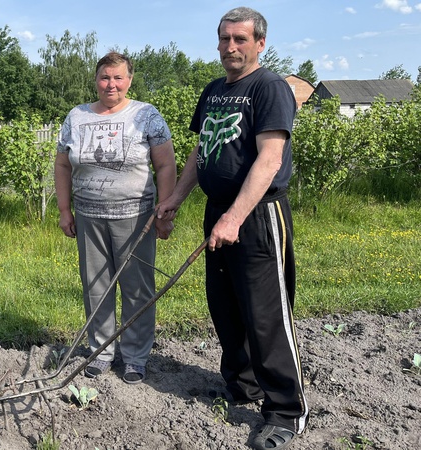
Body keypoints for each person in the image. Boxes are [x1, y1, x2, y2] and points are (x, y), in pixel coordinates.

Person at [155, 7, 309, 450]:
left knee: (266, 314)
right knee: (225, 307)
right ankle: (242, 386)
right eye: (224, 39)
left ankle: (286, 411)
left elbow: (270, 160)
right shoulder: (214, 90)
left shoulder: (270, 88)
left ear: (260, 43)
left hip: (257, 216)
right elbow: (201, 150)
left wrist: (235, 216)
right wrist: (175, 199)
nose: (230, 47)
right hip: (219, 211)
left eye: (240, 39)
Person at [55, 51, 177, 385]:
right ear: (96, 80)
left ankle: (136, 357)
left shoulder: (146, 115)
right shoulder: (76, 117)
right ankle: (101, 351)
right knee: (96, 288)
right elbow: (63, 165)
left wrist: (165, 210)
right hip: (89, 217)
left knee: (137, 289)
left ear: (129, 80)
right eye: (105, 77)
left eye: (118, 77)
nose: (111, 84)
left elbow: (166, 165)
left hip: (136, 217)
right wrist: (65, 210)